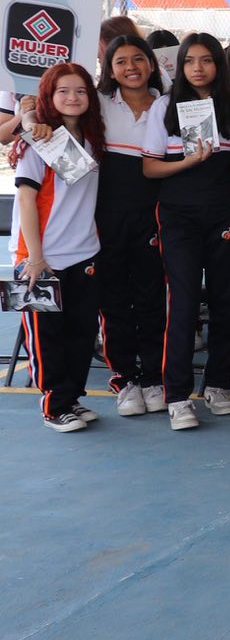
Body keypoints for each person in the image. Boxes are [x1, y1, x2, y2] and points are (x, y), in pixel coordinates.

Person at [142, 33, 230, 431]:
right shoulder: (164, 106)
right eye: (190, 61)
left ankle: (218, 384)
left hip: (224, 214)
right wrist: (188, 161)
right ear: (179, 66)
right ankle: (178, 396)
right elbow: (150, 168)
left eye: (206, 60)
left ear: (218, 65)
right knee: (183, 303)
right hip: (178, 217)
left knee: (227, 301)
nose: (198, 68)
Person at [16, 64, 104, 431]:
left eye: (81, 91)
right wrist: (35, 259)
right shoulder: (37, 142)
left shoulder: (93, 139)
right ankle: (54, 404)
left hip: (85, 252)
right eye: (63, 91)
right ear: (49, 96)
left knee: (82, 332)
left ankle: (72, 399)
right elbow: (25, 199)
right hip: (44, 259)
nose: (72, 97)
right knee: (48, 336)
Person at [95, 33, 167, 417]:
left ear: (152, 64)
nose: (131, 68)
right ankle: (125, 379)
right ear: (110, 69)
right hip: (107, 218)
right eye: (120, 61)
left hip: (154, 217)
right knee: (115, 300)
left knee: (152, 299)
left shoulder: (170, 106)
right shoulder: (99, 104)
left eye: (138, 59)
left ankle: (155, 378)